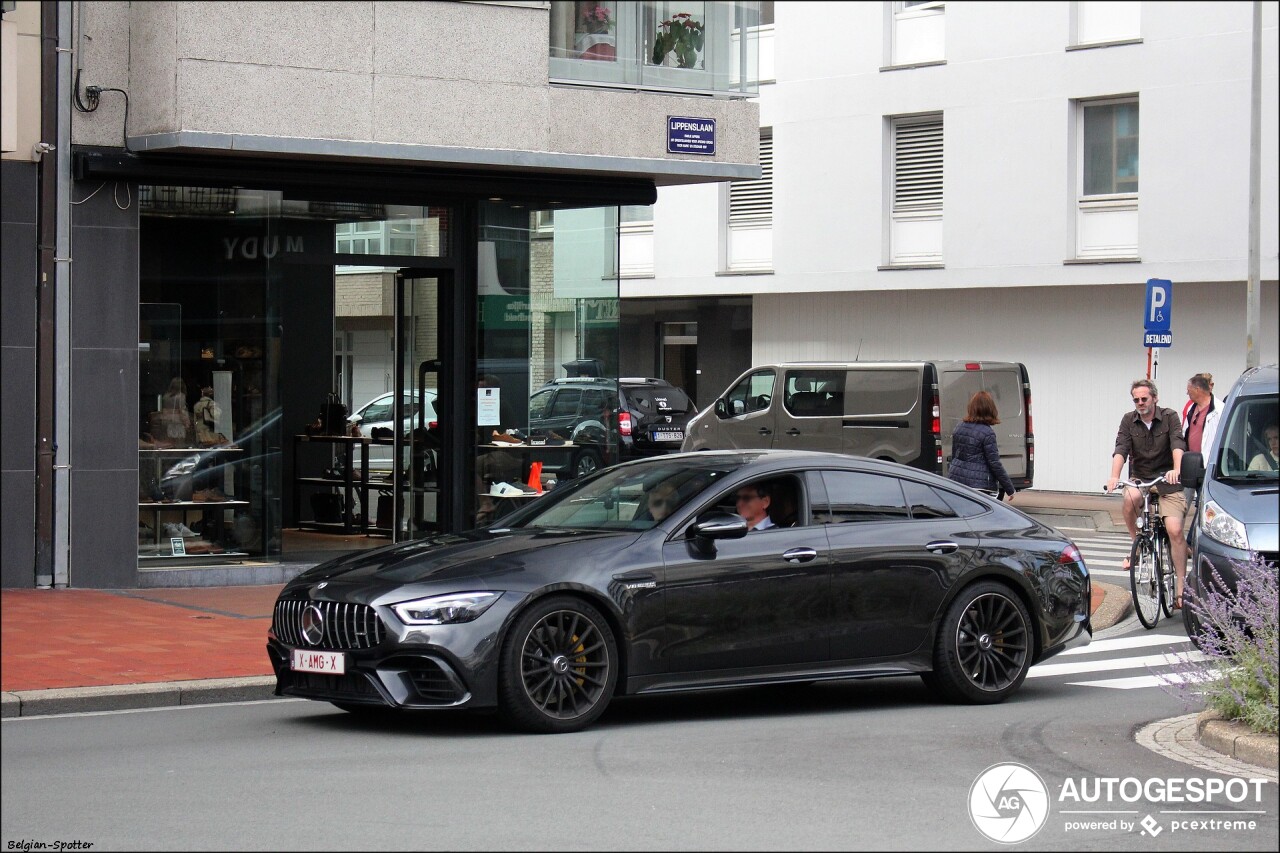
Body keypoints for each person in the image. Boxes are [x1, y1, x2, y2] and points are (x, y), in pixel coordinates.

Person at [1106, 379, 1187, 608]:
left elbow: (1177, 443)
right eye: (1136, 400)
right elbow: (1121, 448)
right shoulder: (1128, 420)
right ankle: (1137, 546)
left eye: (1144, 398)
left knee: (1175, 530)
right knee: (1130, 498)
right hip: (1141, 478)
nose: (1140, 403)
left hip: (1166, 480)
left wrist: (1177, 470)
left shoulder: (1169, 417)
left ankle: (1180, 585)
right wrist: (1114, 476)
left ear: (1154, 398)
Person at [947, 391, 1016, 501]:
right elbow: (995, 463)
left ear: (971, 408)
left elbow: (954, 455)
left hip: (957, 481)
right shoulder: (987, 433)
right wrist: (1009, 489)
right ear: (990, 409)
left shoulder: (959, 427)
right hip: (979, 486)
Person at [1181, 373, 1222, 459]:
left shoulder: (1219, 409)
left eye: (1189, 390)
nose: (1187, 393)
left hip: (1209, 462)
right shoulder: (1190, 408)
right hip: (1191, 461)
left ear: (1197, 390)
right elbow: (1184, 433)